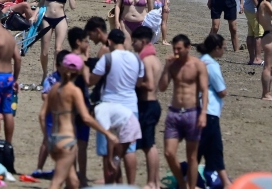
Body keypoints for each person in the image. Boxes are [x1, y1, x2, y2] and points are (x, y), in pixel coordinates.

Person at [42, 54, 117, 189]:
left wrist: (46, 137)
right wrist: (107, 133)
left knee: (73, 182)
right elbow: (86, 118)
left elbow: (42, 115)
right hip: (67, 141)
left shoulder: (54, 89)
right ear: (79, 71)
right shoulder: (74, 91)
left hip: (53, 139)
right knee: (56, 182)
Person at [89, 29, 143, 183]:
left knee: (108, 151)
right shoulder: (136, 59)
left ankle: (111, 184)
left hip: (109, 107)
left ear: (110, 42)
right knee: (129, 150)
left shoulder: (107, 58)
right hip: (131, 107)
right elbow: (139, 83)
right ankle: (130, 185)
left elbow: (92, 80)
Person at [159, 34, 208, 189]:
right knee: (169, 153)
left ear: (188, 48)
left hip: (192, 113)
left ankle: (191, 187)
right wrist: (166, 67)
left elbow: (205, 90)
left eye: (179, 48)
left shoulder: (198, 65)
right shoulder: (173, 65)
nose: (176, 51)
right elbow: (162, 87)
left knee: (192, 157)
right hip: (174, 113)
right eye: (174, 48)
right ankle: (182, 184)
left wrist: (203, 113)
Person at [131, 26, 163, 189]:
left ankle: (152, 183)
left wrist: (133, 81)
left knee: (148, 145)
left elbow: (149, 85)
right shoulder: (154, 58)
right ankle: (155, 181)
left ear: (143, 42)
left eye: (134, 42)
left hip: (148, 105)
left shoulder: (146, 60)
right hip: (152, 105)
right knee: (149, 145)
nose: (132, 45)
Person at [197, 34, 229, 189]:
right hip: (209, 112)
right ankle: (224, 182)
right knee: (214, 147)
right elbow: (221, 90)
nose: (224, 51)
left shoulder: (200, 60)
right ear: (216, 48)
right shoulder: (211, 65)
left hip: (200, 109)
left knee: (205, 147)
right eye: (223, 48)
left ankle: (210, 176)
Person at [0, 5, 21, 143]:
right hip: (8, 77)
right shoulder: (10, 37)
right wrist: (15, 78)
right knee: (7, 112)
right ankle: (8, 143)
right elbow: (17, 58)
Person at [40, 0, 76, 78]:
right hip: (46, 18)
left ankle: (55, 75)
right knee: (44, 52)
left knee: (58, 49)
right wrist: (35, 14)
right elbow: (41, 2)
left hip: (61, 19)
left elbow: (72, 6)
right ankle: (45, 73)